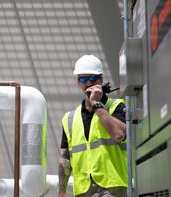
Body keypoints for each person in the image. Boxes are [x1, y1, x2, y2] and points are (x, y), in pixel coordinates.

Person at [58, 55, 127, 197]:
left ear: (101, 80)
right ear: (78, 83)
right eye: (83, 79)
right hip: (83, 191)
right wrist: (62, 191)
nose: (88, 83)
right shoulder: (69, 119)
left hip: (112, 188)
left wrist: (96, 103)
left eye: (93, 78)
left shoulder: (116, 107)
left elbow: (119, 135)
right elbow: (65, 159)